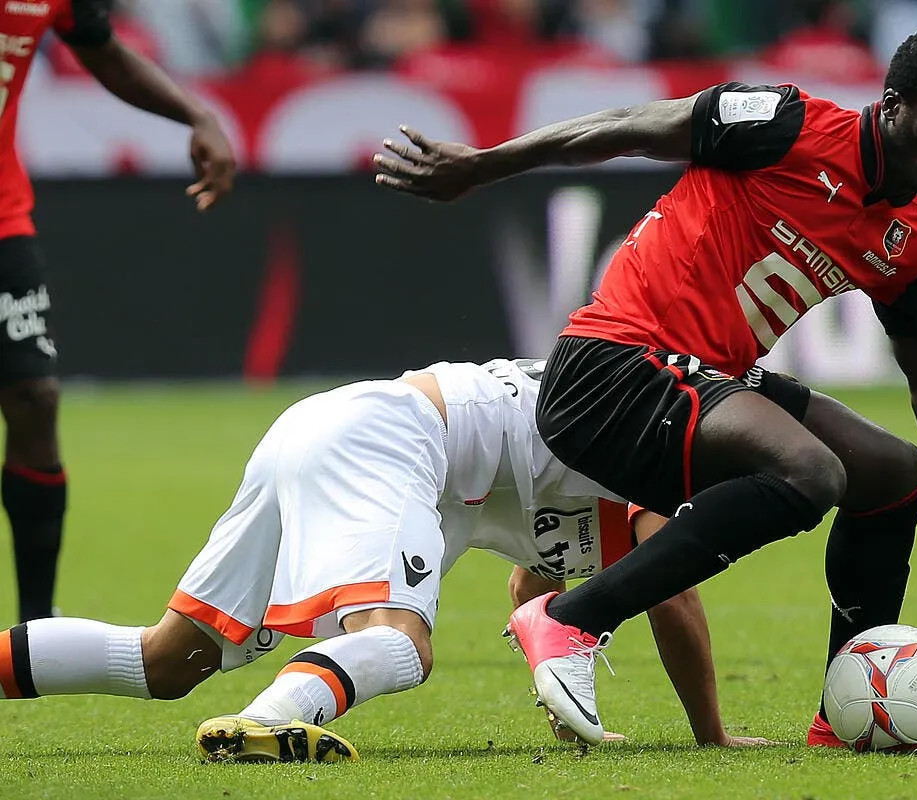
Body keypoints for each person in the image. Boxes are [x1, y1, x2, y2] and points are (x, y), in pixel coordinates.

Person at [372, 25, 917, 747]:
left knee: (892, 473)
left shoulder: (914, 237)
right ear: (894, 103)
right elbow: (626, 125)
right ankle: (571, 619)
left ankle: (852, 714)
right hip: (610, 369)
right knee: (811, 470)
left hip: (698, 382)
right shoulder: (788, 124)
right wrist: (484, 166)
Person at [0, 358, 777, 761]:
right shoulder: (667, 436)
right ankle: (272, 723)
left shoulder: (616, 417)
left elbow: (535, 583)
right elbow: (672, 590)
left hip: (335, 427)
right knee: (403, 644)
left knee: (170, 660)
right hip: (390, 441)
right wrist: (711, 734)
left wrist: (573, 719)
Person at [0, 0, 236, 622]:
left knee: (34, 398)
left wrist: (196, 113)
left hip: (3, 218)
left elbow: (102, 48)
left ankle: (35, 627)